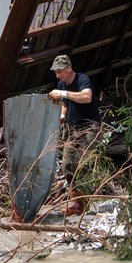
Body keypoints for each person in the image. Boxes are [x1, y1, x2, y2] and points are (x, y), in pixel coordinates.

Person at [48, 54, 102, 216]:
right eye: (56, 73)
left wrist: (63, 94)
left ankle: (81, 203)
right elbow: (65, 104)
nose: (58, 76)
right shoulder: (61, 84)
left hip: (89, 126)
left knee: (82, 163)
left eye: (60, 72)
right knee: (67, 164)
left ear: (69, 68)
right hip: (73, 128)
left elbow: (86, 97)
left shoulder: (82, 80)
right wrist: (62, 116)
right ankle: (76, 200)